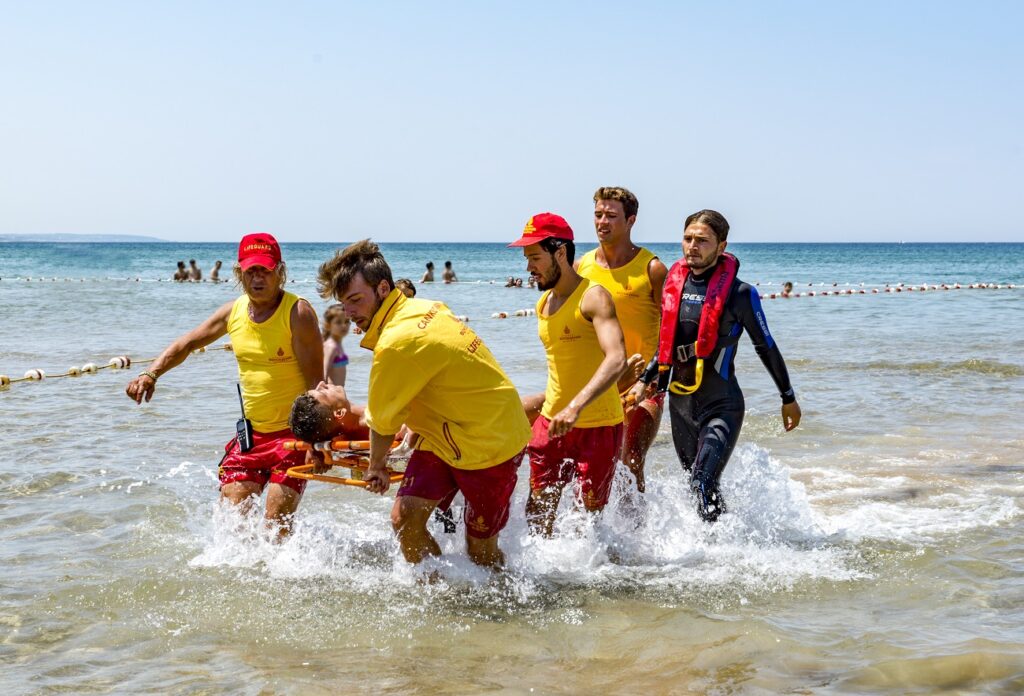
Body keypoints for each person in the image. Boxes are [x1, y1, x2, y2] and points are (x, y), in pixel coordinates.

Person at [316, 240, 531, 567]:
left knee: (481, 551)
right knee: (404, 519)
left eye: (356, 300)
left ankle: (495, 610)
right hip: (444, 435)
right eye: (344, 304)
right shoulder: (426, 306)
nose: (349, 313)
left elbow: (382, 420)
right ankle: (440, 591)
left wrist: (375, 467)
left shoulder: (397, 341)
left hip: (492, 444)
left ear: (383, 288)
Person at [126, 233, 323, 537]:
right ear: (239, 273)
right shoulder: (233, 312)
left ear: (280, 271)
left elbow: (316, 385)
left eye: (265, 271)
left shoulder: (298, 313)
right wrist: (151, 374)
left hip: (293, 436)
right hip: (252, 436)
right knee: (232, 521)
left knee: (276, 523)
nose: (258, 278)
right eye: (251, 271)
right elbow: (187, 343)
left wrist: (314, 441)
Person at [641, 210, 802, 522]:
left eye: (702, 240)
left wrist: (788, 397)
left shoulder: (741, 294)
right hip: (681, 404)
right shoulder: (675, 286)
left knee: (703, 483)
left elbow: (765, 346)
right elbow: (666, 346)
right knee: (695, 486)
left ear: (721, 245)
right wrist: (644, 380)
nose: (692, 246)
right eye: (687, 239)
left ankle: (723, 555)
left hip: (722, 405)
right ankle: (720, 549)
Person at [510, 213, 627, 537]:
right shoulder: (543, 303)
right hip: (552, 424)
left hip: (598, 426)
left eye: (535, 257)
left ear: (560, 252)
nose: (528, 268)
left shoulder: (594, 296)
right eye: (527, 259)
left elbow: (617, 358)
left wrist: (576, 406)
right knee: (537, 517)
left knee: (586, 526)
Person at [576, 186, 668, 493]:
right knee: (588, 463)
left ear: (630, 221)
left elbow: (672, 330)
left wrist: (650, 380)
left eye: (611, 216)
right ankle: (593, 532)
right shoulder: (582, 267)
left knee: (631, 459)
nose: (602, 222)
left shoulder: (652, 269)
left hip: (642, 383)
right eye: (598, 214)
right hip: (597, 383)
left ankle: (637, 536)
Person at [321, 304, 350, 386]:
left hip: (337, 392)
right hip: (332, 394)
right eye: (338, 322)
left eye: (347, 321)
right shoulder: (331, 346)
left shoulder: (337, 344)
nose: (344, 326)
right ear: (328, 326)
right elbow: (324, 374)